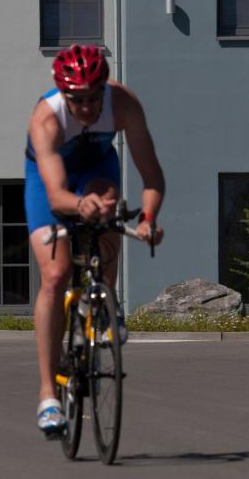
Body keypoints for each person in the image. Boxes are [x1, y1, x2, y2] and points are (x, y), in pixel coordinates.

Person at [25, 44, 165, 434]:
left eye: (93, 97)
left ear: (104, 88)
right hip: (50, 181)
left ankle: (104, 302)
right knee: (56, 275)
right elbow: (57, 196)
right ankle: (48, 394)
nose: (87, 107)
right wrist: (77, 204)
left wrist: (148, 218)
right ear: (63, 94)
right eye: (77, 99)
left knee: (109, 211)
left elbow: (152, 176)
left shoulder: (123, 103)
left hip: (97, 169)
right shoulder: (46, 118)